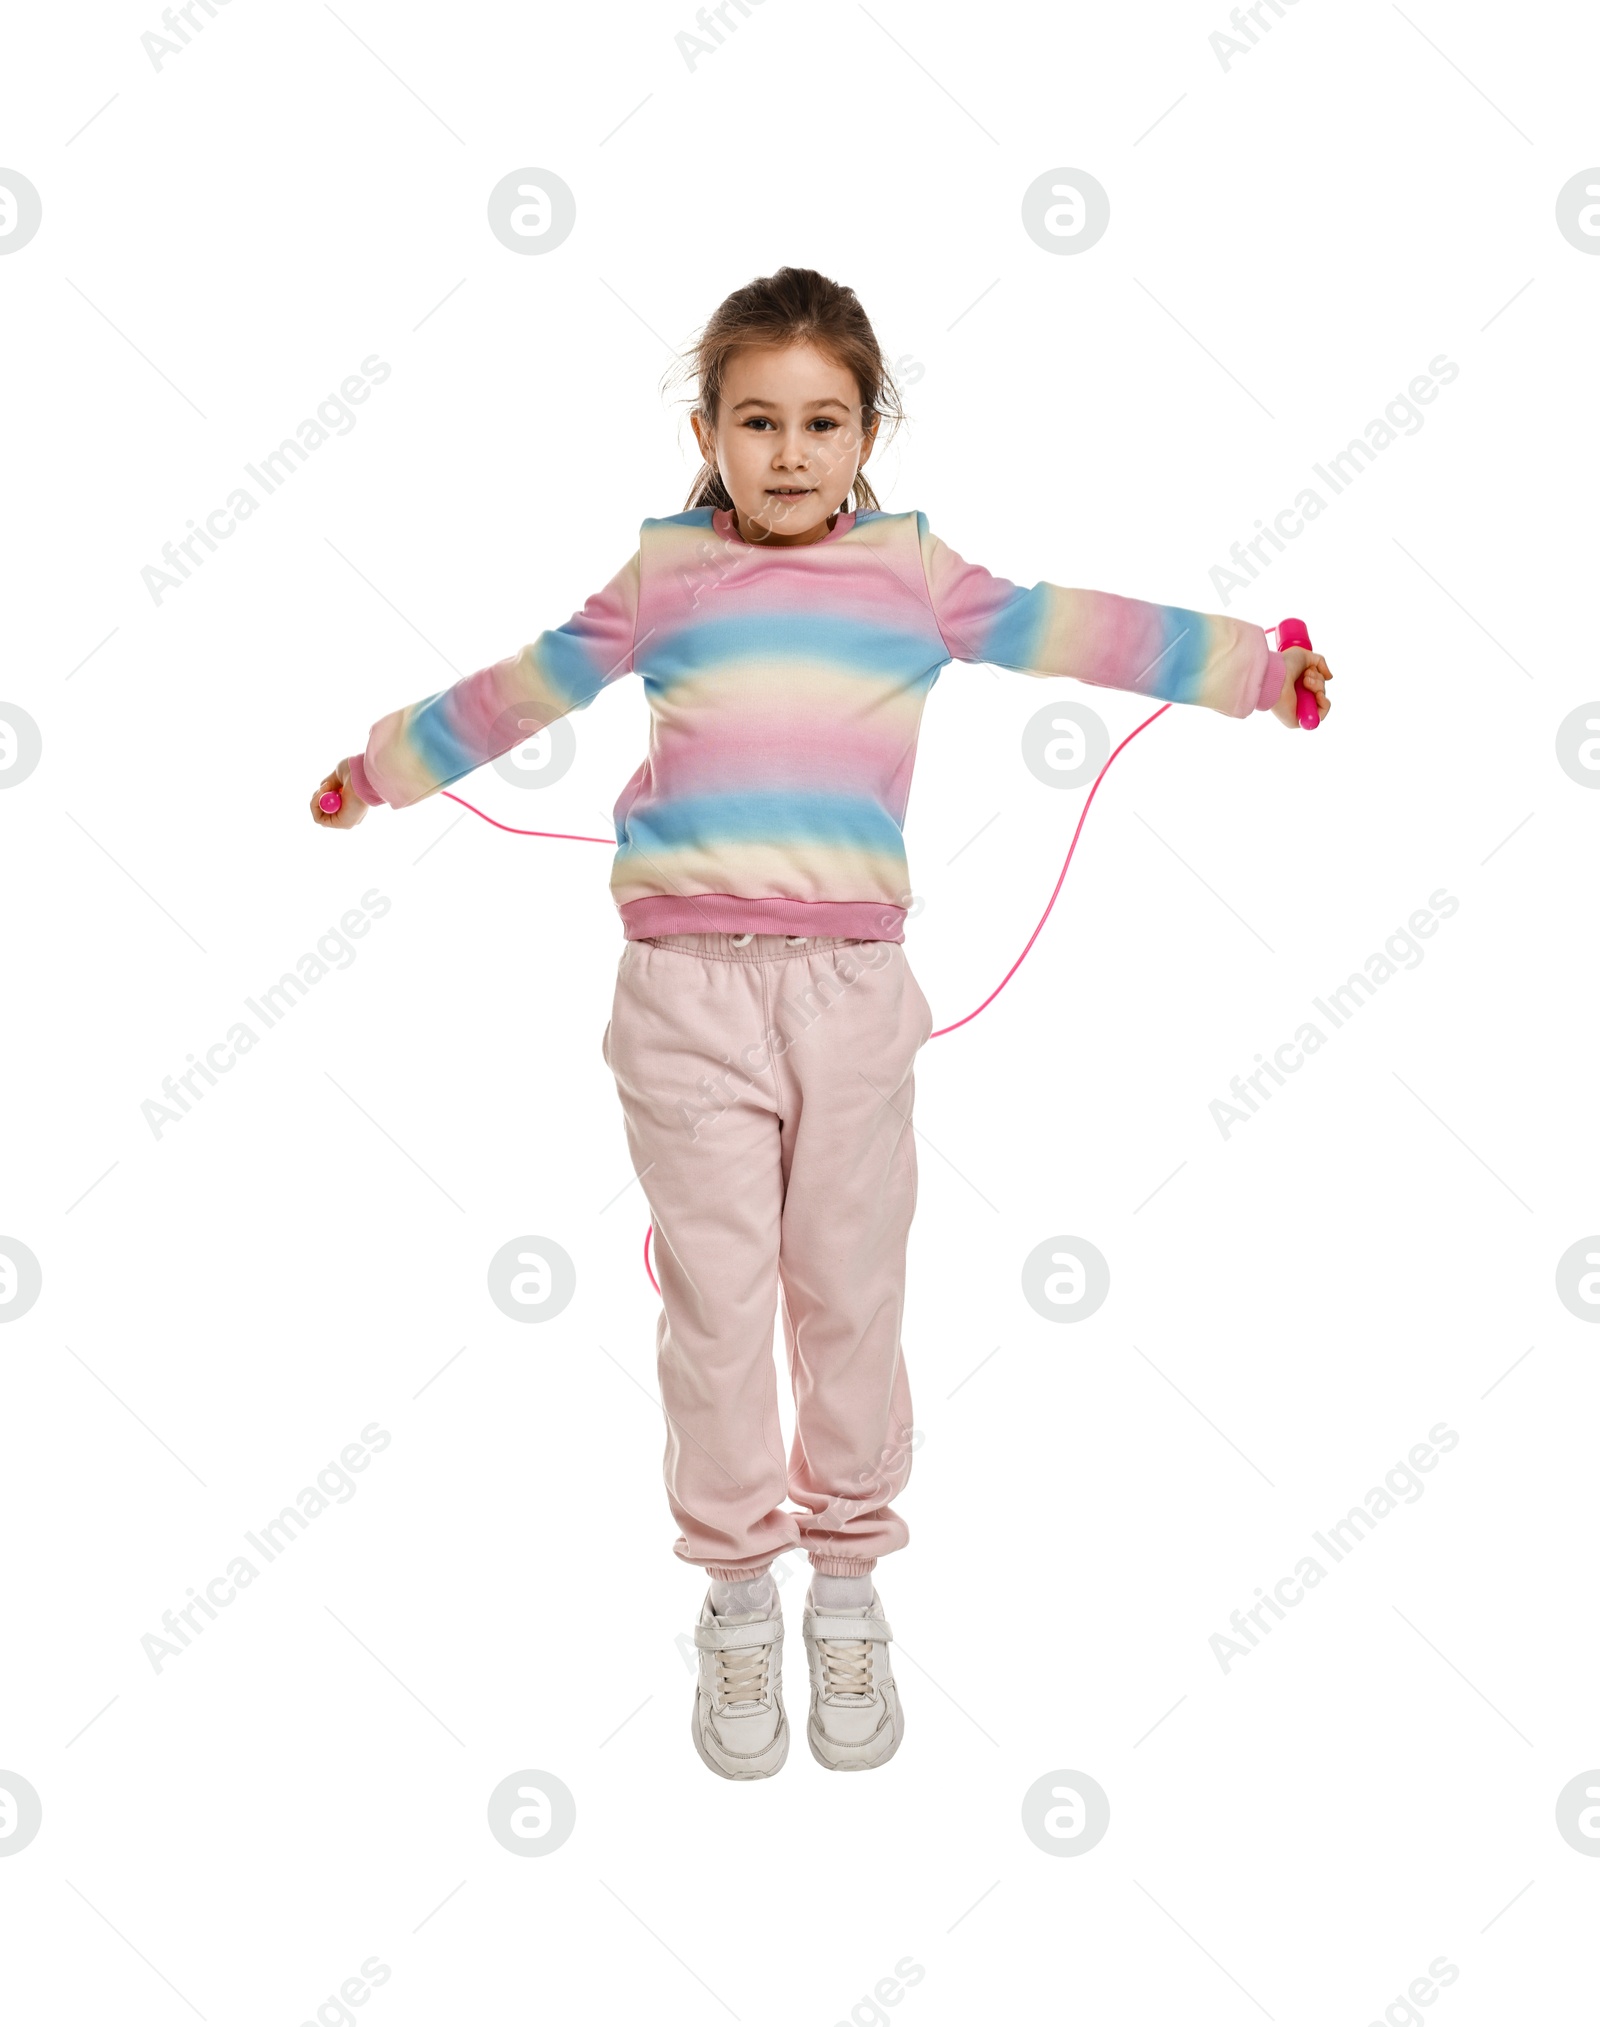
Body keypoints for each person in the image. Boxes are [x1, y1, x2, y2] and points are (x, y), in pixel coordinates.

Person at [311, 264, 1333, 1781]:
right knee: (717, 1306)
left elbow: (1073, 630)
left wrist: (1256, 668)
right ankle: (736, 1597)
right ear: (708, 431)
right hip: (684, 1000)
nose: (791, 453)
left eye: (823, 423)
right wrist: (385, 768)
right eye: (759, 422)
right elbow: (524, 689)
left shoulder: (914, 577)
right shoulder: (665, 580)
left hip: (852, 996)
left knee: (846, 1291)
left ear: (871, 432)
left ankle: (846, 1586)